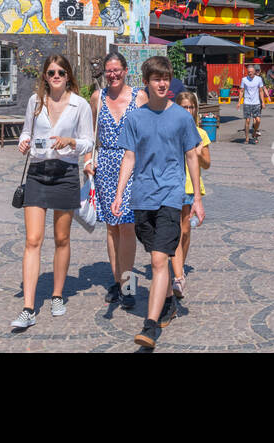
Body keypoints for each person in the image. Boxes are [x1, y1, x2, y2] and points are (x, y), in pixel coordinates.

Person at [112, 56, 205, 350]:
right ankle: (167, 302)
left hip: (171, 194)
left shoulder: (181, 116)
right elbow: (129, 157)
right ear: (147, 82)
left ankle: (149, 327)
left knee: (157, 260)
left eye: (166, 78)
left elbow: (192, 156)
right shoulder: (135, 117)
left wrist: (198, 199)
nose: (162, 83)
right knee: (154, 252)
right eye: (156, 79)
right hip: (142, 196)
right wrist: (118, 194)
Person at [11, 54, 94, 330]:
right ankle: (28, 306)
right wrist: (23, 143)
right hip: (37, 171)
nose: (55, 76)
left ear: (68, 75)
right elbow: (26, 132)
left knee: (61, 238)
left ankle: (57, 294)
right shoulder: (35, 102)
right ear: (45, 76)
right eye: (50, 72)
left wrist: (71, 141)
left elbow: (88, 142)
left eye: (60, 72)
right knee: (33, 239)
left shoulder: (79, 105)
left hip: (66, 172)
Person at [86, 51, 139, 310]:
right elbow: (90, 133)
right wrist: (89, 159)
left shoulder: (139, 97)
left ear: (126, 70)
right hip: (105, 164)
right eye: (109, 70)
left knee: (127, 224)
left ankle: (128, 285)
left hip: (132, 164)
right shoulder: (98, 97)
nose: (113, 74)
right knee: (111, 226)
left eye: (117, 69)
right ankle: (117, 281)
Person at [171, 91, 211, 300]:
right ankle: (178, 275)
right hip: (173, 186)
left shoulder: (200, 134)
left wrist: (197, 152)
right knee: (178, 229)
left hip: (190, 187)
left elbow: (207, 163)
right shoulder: (172, 130)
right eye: (184, 107)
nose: (188, 111)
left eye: (191, 107)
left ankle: (180, 266)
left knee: (185, 231)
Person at [238, 63, 268, 145]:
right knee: (247, 120)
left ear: (254, 72)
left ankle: (254, 132)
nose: (250, 73)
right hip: (247, 102)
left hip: (256, 102)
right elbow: (241, 91)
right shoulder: (244, 79)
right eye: (248, 72)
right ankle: (247, 138)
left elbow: (261, 91)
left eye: (251, 72)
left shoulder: (259, 79)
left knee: (258, 120)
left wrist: (263, 102)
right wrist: (239, 102)